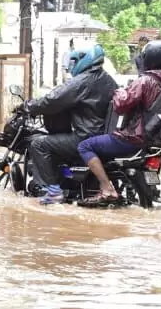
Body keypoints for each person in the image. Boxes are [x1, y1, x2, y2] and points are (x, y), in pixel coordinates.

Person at [76, 39, 161, 208]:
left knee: (85, 146)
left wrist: (119, 91)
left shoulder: (145, 80)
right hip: (152, 143)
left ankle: (106, 188)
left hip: (133, 140)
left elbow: (121, 104)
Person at [17, 45, 118, 204]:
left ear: (84, 60)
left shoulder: (83, 81)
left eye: (73, 61)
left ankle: (53, 192)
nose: (71, 66)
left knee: (38, 144)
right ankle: (67, 181)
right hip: (102, 137)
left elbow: (53, 99)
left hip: (85, 137)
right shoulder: (108, 80)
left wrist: (28, 106)